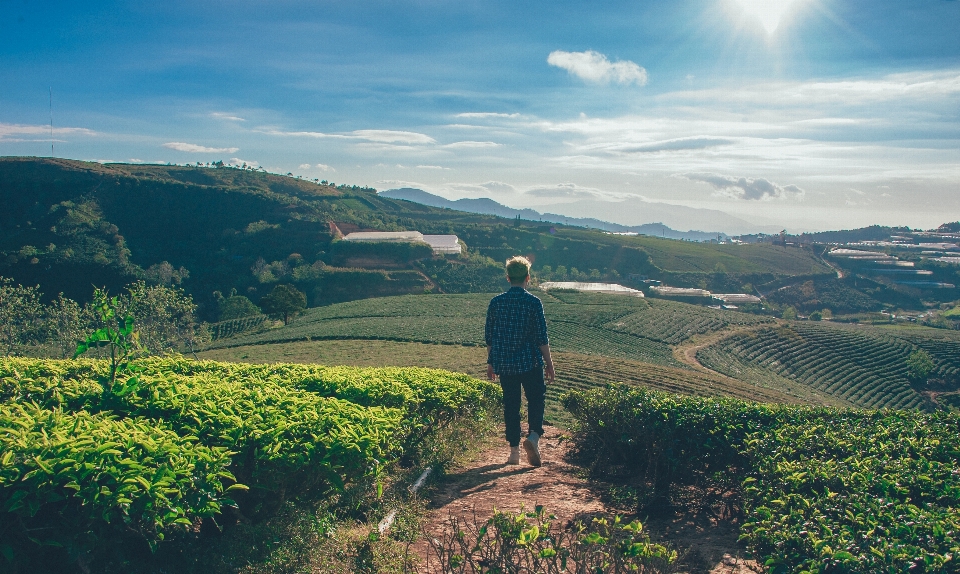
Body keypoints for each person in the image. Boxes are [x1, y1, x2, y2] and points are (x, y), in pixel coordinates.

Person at [485, 256, 556, 467]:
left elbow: (490, 337)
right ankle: (533, 436)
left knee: (511, 405)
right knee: (536, 399)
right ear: (528, 278)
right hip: (530, 362)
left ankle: (514, 452)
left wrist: (491, 362)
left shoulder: (496, 303)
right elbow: (541, 337)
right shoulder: (534, 303)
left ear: (508, 278)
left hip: (505, 364)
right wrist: (549, 363)